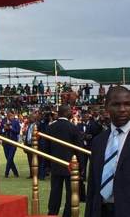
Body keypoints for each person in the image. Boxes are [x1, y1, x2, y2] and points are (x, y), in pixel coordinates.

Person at [85, 86, 130, 217]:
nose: (122, 109)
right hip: (101, 210)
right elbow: (92, 187)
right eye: (116, 104)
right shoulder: (99, 141)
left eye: (127, 104)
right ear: (107, 107)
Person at [45, 105, 83, 217]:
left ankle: (52, 213)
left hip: (55, 164)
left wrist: (47, 165)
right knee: (71, 193)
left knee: (55, 192)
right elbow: (78, 148)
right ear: (66, 113)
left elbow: (46, 147)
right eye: (70, 111)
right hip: (71, 166)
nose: (72, 113)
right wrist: (81, 167)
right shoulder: (73, 128)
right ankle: (67, 214)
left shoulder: (50, 127)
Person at [0, 111, 20, 178]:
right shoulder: (3, 121)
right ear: (7, 115)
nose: (10, 117)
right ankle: (15, 172)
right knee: (8, 158)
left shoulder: (16, 122)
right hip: (5, 142)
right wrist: (4, 129)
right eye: (9, 115)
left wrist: (11, 128)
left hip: (13, 142)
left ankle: (6, 173)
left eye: (12, 115)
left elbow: (18, 131)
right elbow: (0, 131)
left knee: (10, 158)